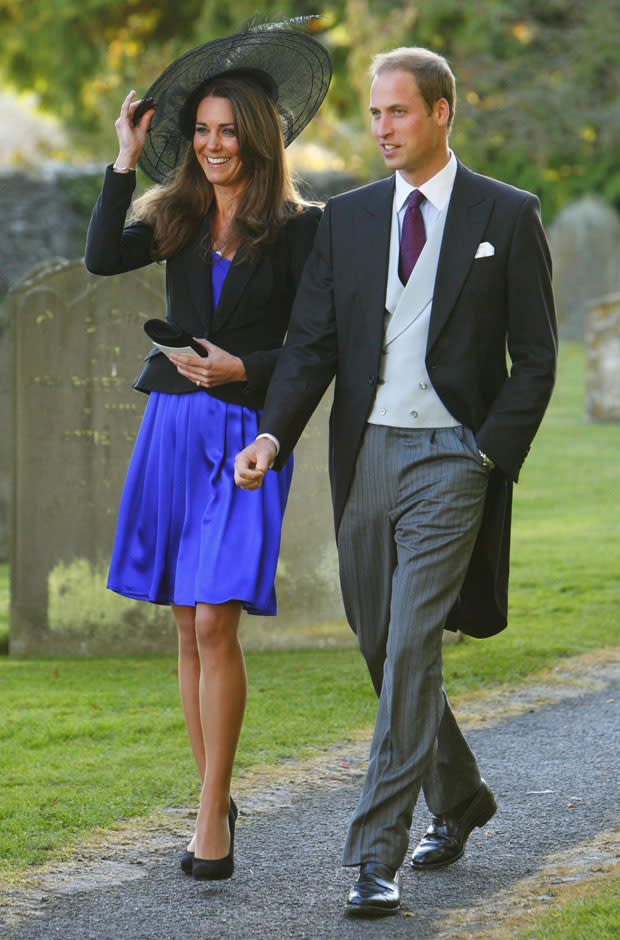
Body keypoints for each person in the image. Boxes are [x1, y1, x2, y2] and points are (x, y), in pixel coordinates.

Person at [235, 46, 557, 914]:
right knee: (382, 646)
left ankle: (373, 857)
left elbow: (536, 360)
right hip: (366, 455)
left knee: (414, 643)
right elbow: (312, 347)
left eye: (398, 112)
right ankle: (460, 798)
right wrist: (271, 435)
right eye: (374, 114)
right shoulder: (348, 219)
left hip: (454, 459)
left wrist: (488, 453)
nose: (381, 129)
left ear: (443, 112)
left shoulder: (507, 212)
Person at [84, 20, 331, 882]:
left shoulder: (304, 228)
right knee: (187, 626)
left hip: (246, 438)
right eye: (202, 131)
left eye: (228, 130)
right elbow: (97, 258)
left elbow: (313, 346)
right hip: (173, 429)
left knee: (218, 617)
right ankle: (211, 796)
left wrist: (243, 368)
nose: (213, 144)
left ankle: (209, 818)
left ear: (258, 137)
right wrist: (125, 156)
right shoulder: (177, 216)